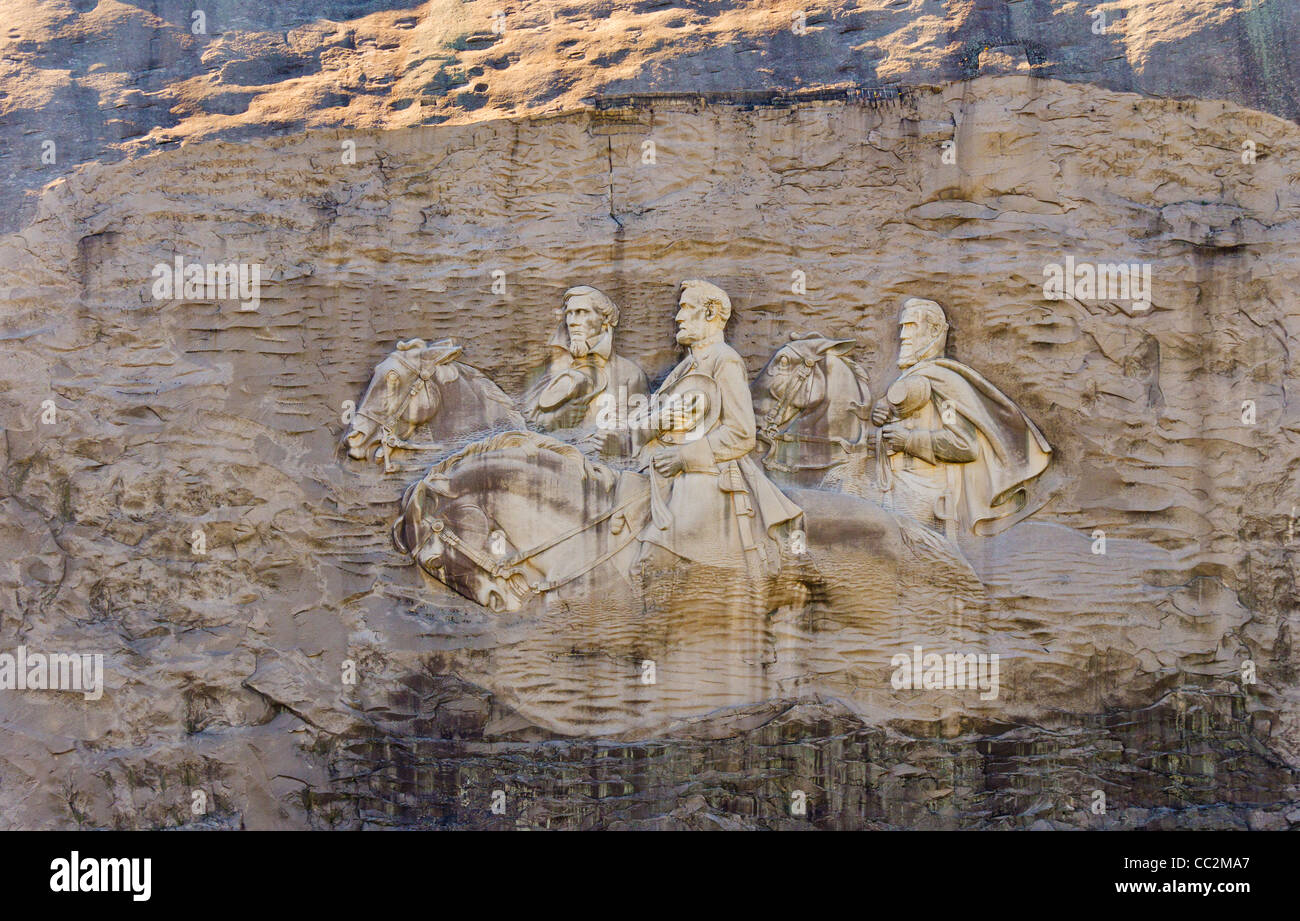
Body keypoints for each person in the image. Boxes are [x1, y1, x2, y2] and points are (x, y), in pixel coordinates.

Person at [637, 280, 803, 574]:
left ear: (711, 313)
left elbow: (741, 433)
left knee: (655, 557)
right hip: (663, 468)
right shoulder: (687, 365)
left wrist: (682, 458)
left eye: (686, 308)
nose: (678, 317)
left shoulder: (724, 360)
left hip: (708, 472)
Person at [870, 297, 1052, 536]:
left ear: (934, 330)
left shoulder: (944, 381)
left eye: (912, 326)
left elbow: (964, 445)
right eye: (902, 327)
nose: (903, 335)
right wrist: (881, 414)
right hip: (890, 486)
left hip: (924, 496)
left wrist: (908, 440)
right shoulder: (910, 380)